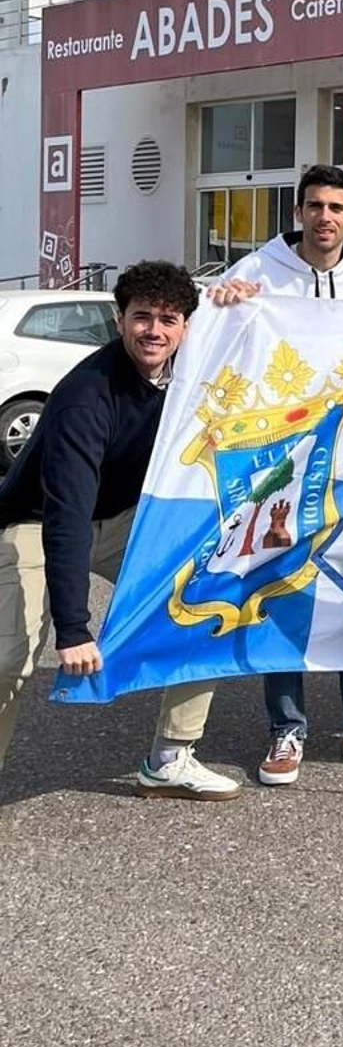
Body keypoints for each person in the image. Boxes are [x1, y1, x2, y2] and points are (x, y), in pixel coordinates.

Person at [211, 164, 343, 785]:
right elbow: (214, 339)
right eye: (314, 206)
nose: (324, 217)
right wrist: (221, 305)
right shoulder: (255, 271)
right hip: (281, 462)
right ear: (299, 211)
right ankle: (287, 729)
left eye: (337, 207)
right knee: (282, 587)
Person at [0, 262, 237, 798]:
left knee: (206, 606)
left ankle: (171, 757)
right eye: (142, 317)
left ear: (186, 327)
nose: (154, 330)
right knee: (8, 658)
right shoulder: (87, 395)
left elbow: (271, 350)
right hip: (38, 522)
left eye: (168, 319)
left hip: (125, 518)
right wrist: (75, 627)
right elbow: (66, 513)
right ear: (119, 319)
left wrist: (239, 295)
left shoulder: (191, 370)